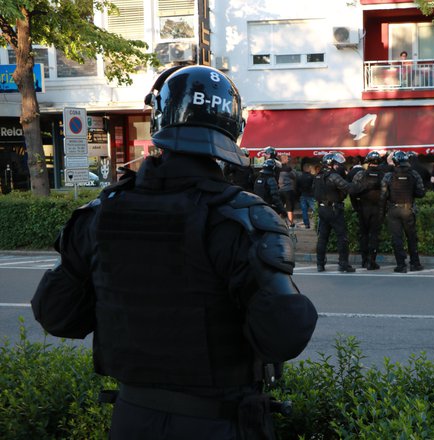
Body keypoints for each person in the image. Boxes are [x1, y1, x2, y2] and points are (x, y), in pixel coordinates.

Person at [30, 65, 317, 440]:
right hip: (220, 425)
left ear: (160, 120)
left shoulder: (101, 213)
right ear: (232, 125)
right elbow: (284, 334)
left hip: (132, 421)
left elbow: (56, 316)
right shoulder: (241, 219)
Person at [314, 152, 360, 273]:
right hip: (334, 210)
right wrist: (360, 185)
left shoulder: (318, 176)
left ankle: (320, 264)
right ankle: (343, 264)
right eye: (337, 164)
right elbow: (349, 188)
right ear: (332, 164)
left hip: (322, 209)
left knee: (323, 237)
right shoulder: (333, 176)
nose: (339, 166)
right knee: (342, 237)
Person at [380, 150, 426, 273]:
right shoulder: (414, 174)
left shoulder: (388, 176)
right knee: (411, 237)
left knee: (397, 238)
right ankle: (415, 263)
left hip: (393, 210)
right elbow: (421, 193)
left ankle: (401, 265)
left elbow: (383, 195)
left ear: (394, 162)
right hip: (408, 209)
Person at [352, 151, 385, 270]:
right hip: (377, 209)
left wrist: (356, 207)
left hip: (363, 208)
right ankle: (372, 261)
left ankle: (364, 261)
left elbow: (353, 191)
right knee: (374, 236)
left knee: (364, 235)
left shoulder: (360, 175)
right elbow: (387, 194)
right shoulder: (383, 176)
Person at [277, 154, 297, 227]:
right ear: (285, 160)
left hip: (280, 190)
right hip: (288, 190)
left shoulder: (277, 168)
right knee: (289, 207)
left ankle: (278, 222)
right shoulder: (289, 169)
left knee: (280, 206)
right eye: (287, 159)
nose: (288, 160)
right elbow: (294, 176)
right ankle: (291, 223)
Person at [297, 163, 316, 229]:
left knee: (304, 211)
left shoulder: (300, 177)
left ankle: (306, 224)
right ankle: (318, 222)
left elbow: (297, 186)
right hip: (311, 195)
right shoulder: (312, 177)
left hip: (303, 194)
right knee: (315, 209)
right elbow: (314, 186)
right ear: (308, 169)